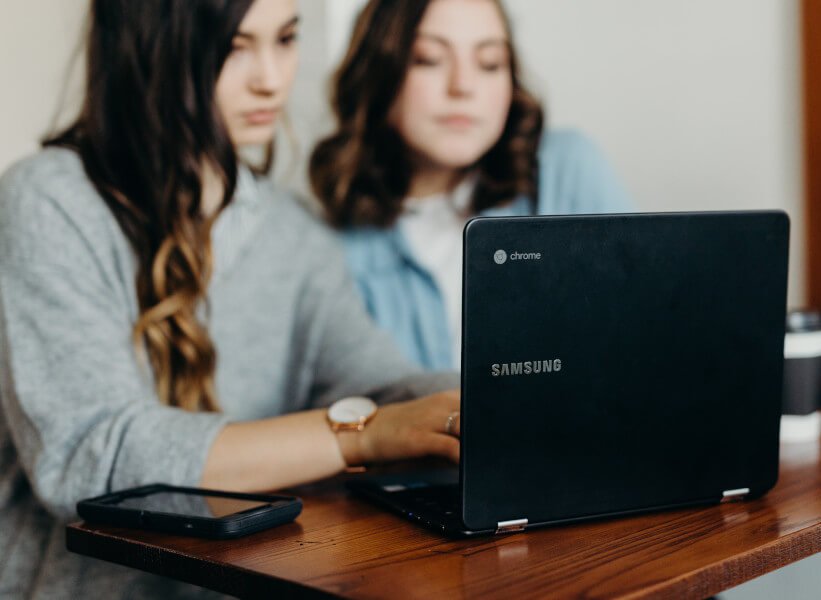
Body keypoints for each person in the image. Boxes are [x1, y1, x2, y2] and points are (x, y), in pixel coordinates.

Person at [0, 1, 462, 597]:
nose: (270, 77)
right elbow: (94, 455)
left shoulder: (294, 232)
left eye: (286, 39)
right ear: (152, 51)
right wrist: (361, 435)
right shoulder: (47, 202)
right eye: (236, 47)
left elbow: (380, 384)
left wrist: (486, 400)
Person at [310, 0, 633, 371]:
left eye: (490, 63)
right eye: (428, 59)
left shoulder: (566, 169)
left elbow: (644, 336)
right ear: (377, 71)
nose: (463, 86)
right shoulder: (327, 243)